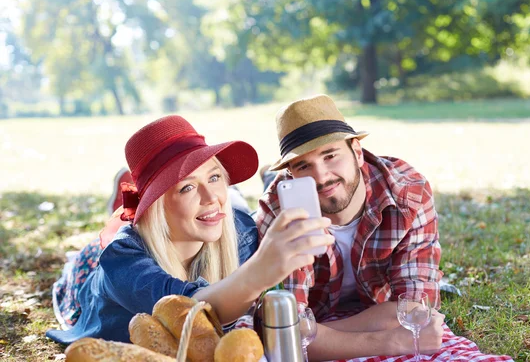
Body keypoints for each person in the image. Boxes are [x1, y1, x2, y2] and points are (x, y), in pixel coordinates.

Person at [255, 95, 512, 361]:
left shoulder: (408, 192)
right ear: (290, 174)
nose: (321, 176)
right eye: (303, 166)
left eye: (330, 156)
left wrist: (317, 334)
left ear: (356, 152)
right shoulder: (278, 211)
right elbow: (283, 337)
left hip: (367, 303)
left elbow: (414, 313)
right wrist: (387, 341)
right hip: (334, 308)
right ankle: (266, 179)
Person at [47, 115, 334, 345]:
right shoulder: (122, 259)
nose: (211, 197)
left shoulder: (240, 229)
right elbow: (190, 311)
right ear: (157, 205)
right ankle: (120, 203)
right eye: (187, 187)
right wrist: (262, 270)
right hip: (95, 274)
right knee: (89, 256)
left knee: (226, 208)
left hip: (192, 225)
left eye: (215, 176)